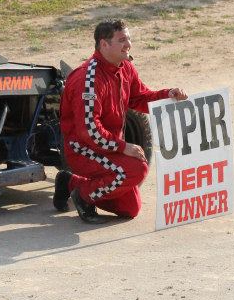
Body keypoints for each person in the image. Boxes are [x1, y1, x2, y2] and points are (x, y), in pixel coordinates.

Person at [53, 20, 187, 224]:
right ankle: (83, 196)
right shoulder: (88, 80)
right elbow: (89, 131)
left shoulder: (125, 67)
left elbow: (139, 98)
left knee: (130, 208)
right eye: (122, 40)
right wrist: (124, 147)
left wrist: (168, 95)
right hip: (82, 149)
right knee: (136, 169)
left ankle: (70, 183)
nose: (128, 44)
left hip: (107, 146)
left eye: (128, 38)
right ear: (104, 44)